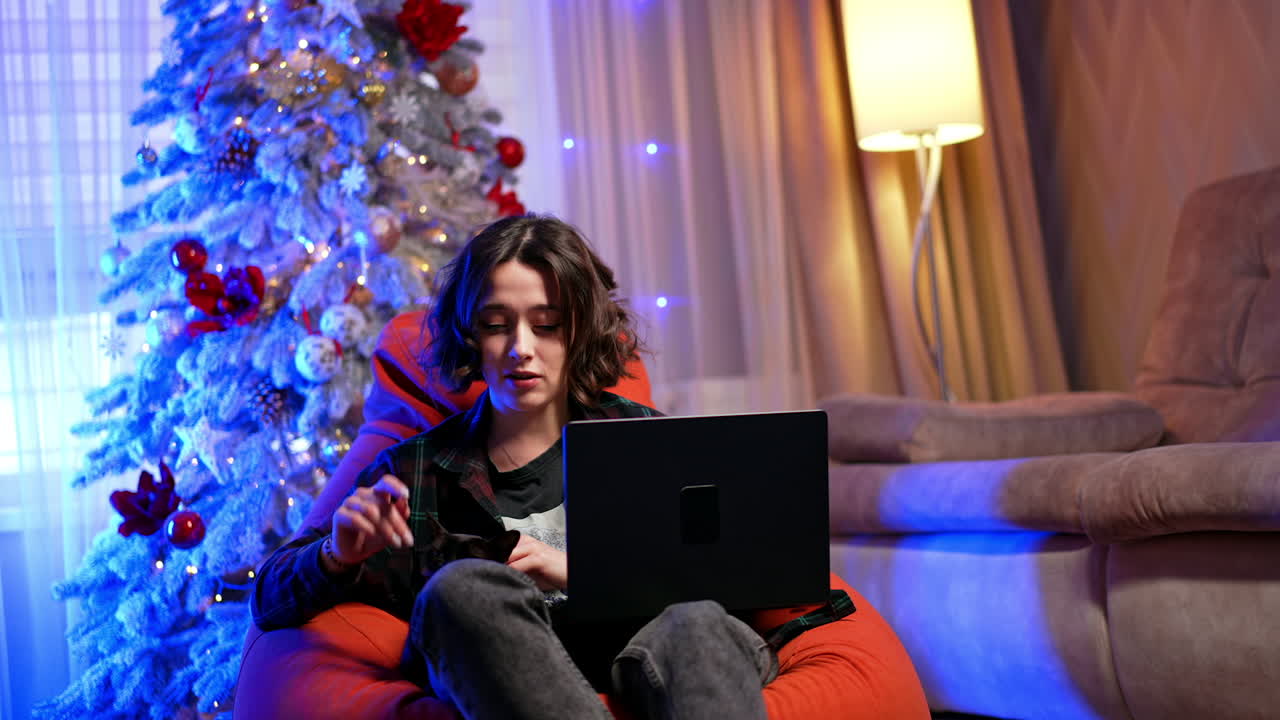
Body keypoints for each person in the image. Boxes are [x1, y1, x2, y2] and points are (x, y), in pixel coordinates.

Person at [251, 214, 778, 720]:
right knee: (462, 590)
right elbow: (269, 600)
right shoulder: (415, 470)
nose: (521, 349)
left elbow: (739, 576)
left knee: (695, 620)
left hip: (649, 659)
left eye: (547, 325)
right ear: (471, 337)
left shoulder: (648, 442)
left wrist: (582, 574)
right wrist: (335, 555)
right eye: (497, 325)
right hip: (505, 672)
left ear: (578, 334)